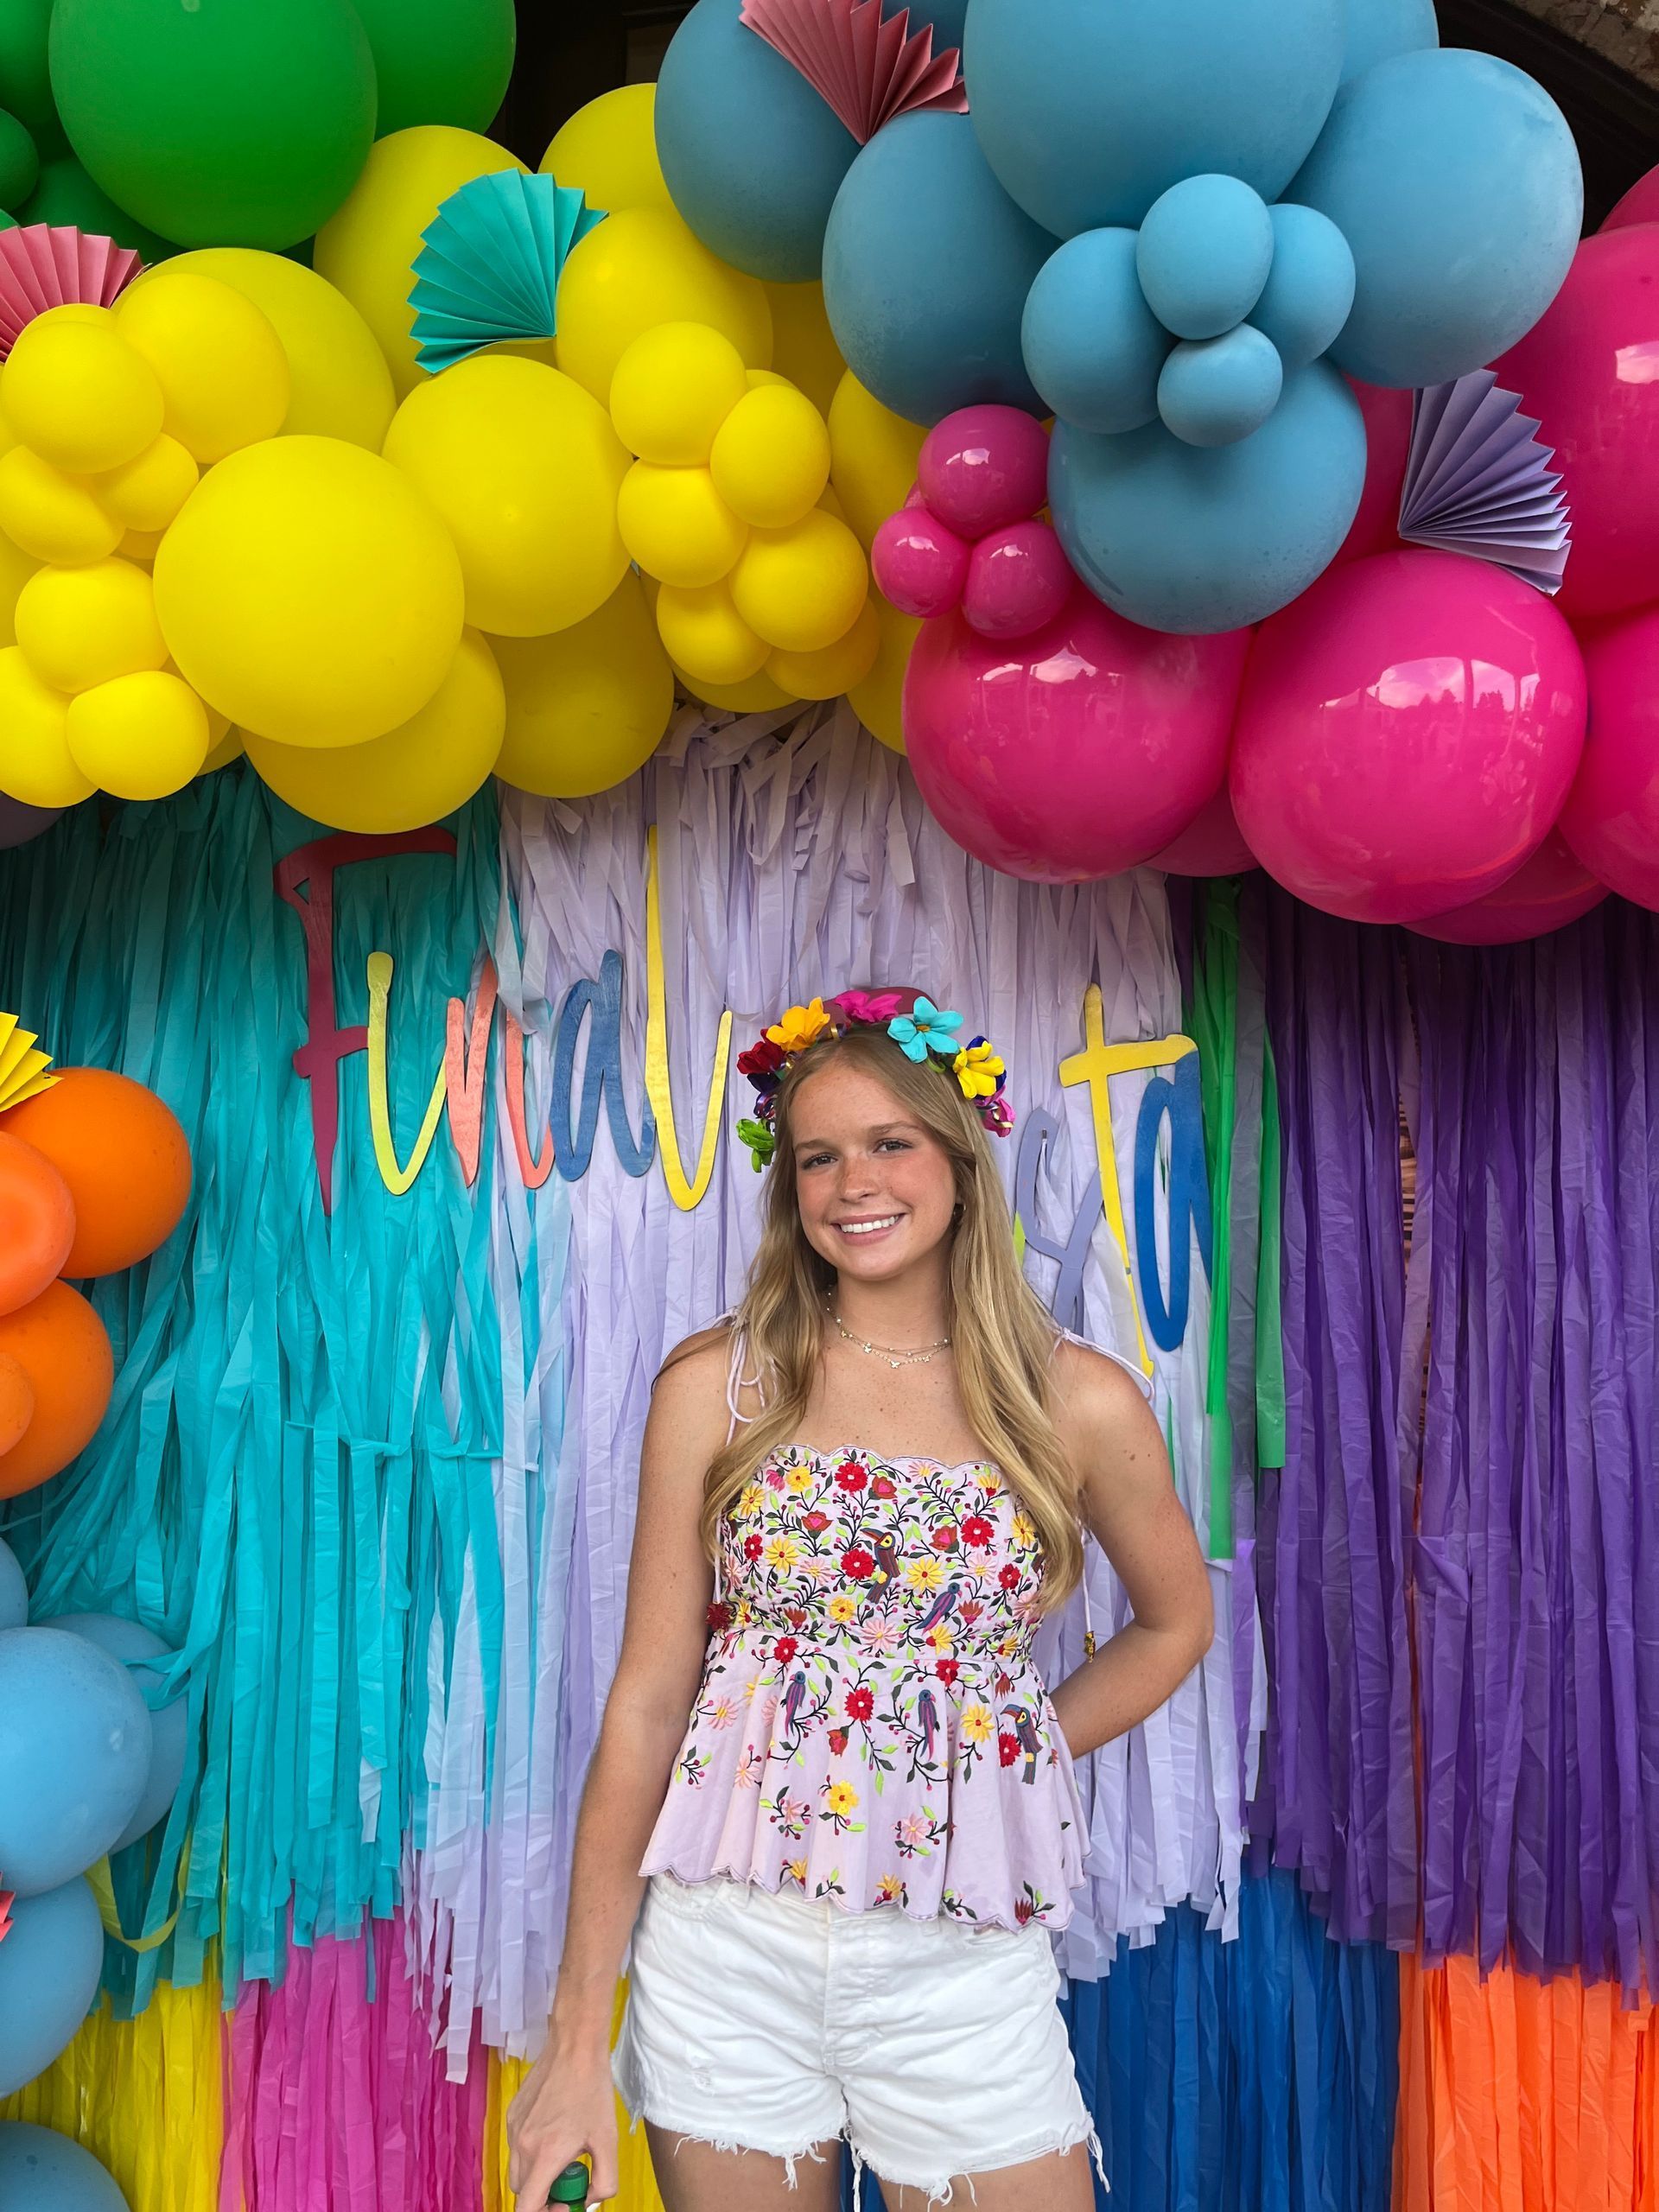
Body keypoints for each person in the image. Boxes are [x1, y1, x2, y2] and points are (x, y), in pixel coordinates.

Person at [507, 987, 1215, 2211]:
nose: (852, 1185)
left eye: (889, 1144)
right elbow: (648, 1700)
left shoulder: (1077, 1401)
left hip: (958, 1966)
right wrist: (577, 2041)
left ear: (958, 1157)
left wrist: (1020, 1735)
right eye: (817, 1157)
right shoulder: (721, 1385)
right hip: (725, 1960)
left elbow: (1176, 1622)